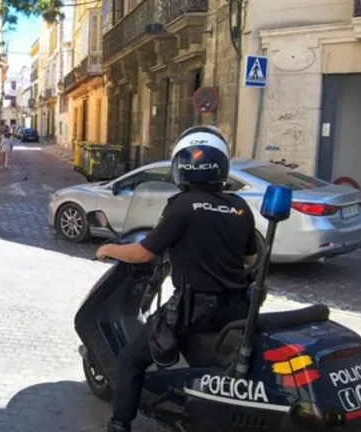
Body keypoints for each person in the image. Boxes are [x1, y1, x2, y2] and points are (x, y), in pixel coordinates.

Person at [97, 126, 258, 432]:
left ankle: (119, 424)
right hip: (236, 309)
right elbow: (250, 260)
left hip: (192, 311)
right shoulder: (239, 207)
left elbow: (144, 253)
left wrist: (107, 249)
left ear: (182, 165)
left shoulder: (182, 205)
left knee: (130, 359)